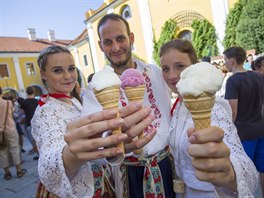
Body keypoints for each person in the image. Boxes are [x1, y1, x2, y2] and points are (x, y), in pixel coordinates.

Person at [31, 45, 156, 197]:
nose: (68, 76)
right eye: (58, 70)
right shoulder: (46, 111)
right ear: (43, 74)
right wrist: (70, 155)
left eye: (71, 69)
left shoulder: (74, 102)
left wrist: (110, 144)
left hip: (100, 182)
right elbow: (48, 166)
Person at [82, 13, 173, 197]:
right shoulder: (95, 89)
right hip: (127, 173)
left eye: (120, 38)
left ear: (131, 38)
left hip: (167, 166)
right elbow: (93, 145)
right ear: (100, 46)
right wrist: (112, 140)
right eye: (108, 42)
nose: (115, 47)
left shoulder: (155, 73)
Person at [159, 39, 258, 197]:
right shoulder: (179, 105)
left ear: (194, 67)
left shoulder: (214, 107)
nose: (171, 75)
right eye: (165, 68)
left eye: (180, 66)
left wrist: (229, 173)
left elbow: (247, 171)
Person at [223, 46, 264, 197]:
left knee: (244, 174)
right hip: (261, 129)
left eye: (226, 60)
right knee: (262, 169)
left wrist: (228, 134)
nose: (225, 63)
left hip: (244, 134)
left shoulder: (233, 81)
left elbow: (232, 110)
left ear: (232, 61)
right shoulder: (259, 76)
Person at [0, 86, 27, 180]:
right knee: (14, 148)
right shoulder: (7, 103)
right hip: (10, 128)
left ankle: (7, 173)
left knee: (2, 152)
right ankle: (19, 170)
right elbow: (12, 113)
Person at [20, 86, 39, 160]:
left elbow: (22, 113)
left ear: (26, 92)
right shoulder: (37, 101)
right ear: (33, 92)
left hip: (29, 123)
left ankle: (38, 154)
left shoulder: (24, 102)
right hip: (38, 123)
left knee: (33, 140)